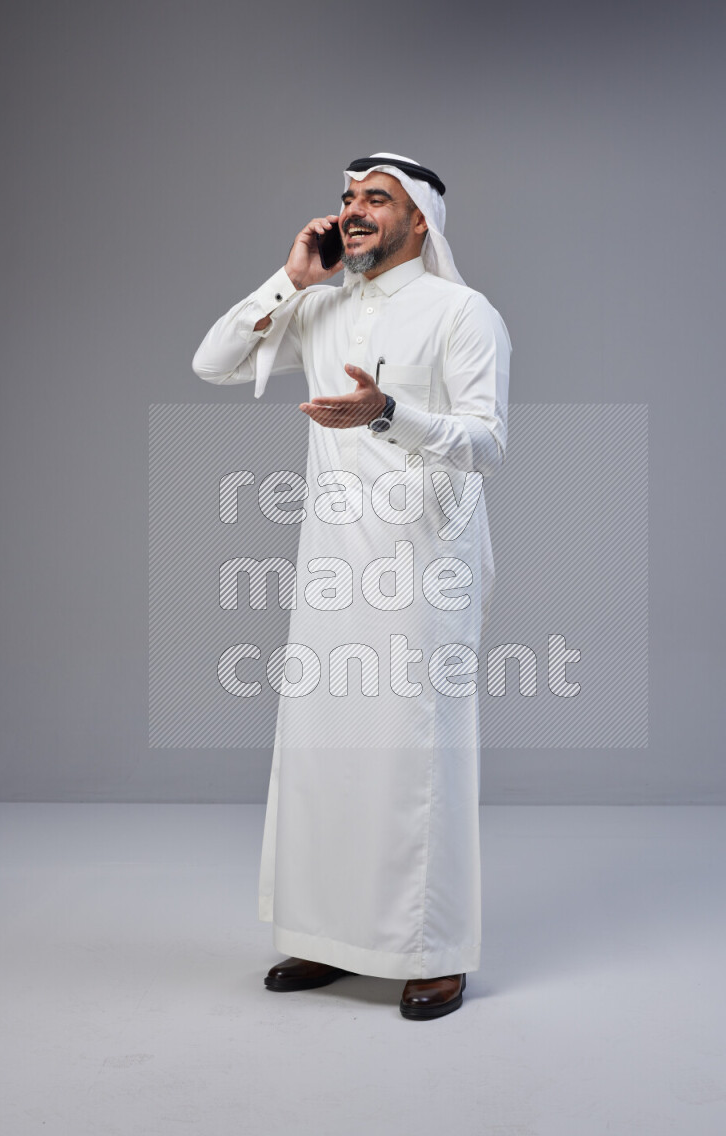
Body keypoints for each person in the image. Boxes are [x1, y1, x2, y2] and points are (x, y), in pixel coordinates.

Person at [192, 152, 511, 1019]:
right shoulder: (321, 307)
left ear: (422, 221)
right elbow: (211, 362)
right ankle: (331, 937)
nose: (356, 210)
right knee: (324, 747)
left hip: (425, 560)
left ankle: (434, 950)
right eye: (348, 198)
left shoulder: (463, 314)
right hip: (334, 564)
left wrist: (389, 414)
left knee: (417, 754)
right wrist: (288, 279)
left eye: (378, 199)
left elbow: (488, 443)